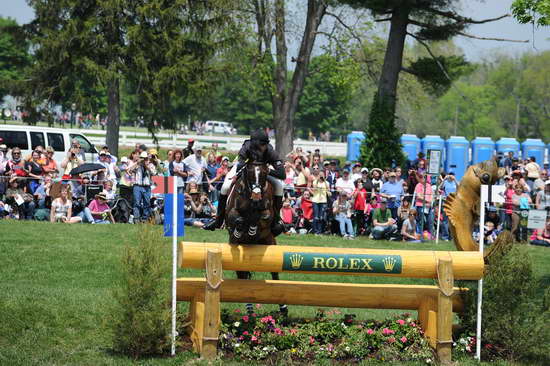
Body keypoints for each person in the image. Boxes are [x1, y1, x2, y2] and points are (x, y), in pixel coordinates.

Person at [203, 129, 286, 236]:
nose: (265, 146)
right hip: (245, 168)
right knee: (225, 187)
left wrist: (266, 170)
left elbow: (282, 174)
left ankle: (276, 220)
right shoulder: (247, 147)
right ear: (255, 144)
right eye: (262, 144)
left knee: (279, 186)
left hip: (263, 171)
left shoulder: (270, 150)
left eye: (266, 144)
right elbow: (241, 165)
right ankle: (218, 220)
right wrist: (237, 175)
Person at [128, 151, 156, 223]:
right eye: (142, 158)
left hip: (147, 186)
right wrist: (137, 163)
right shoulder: (137, 165)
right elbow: (129, 170)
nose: (144, 160)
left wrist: (146, 166)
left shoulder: (151, 165)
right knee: (137, 203)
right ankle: (136, 218)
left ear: (148, 159)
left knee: (147, 203)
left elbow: (153, 173)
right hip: (137, 186)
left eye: (145, 158)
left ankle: (145, 219)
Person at [309, 170, 330, 235]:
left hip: (323, 201)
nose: (321, 176)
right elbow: (314, 189)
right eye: (320, 175)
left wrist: (329, 192)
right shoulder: (315, 182)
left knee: (321, 217)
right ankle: (315, 231)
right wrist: (317, 180)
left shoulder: (327, 183)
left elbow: (328, 191)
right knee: (316, 216)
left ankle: (320, 231)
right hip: (315, 200)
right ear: (318, 175)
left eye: (322, 175)